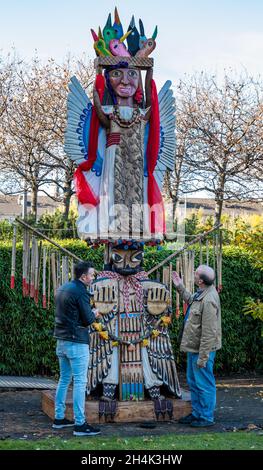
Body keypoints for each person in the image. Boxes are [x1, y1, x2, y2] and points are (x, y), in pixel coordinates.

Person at [52, 261, 101, 436]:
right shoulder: (81, 292)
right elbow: (88, 320)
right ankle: (80, 424)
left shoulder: (62, 288)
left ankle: (59, 418)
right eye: (92, 275)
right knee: (80, 383)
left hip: (61, 341)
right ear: (83, 276)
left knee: (64, 380)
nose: (93, 277)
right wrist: (95, 313)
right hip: (76, 342)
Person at [172, 265, 222, 427]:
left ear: (200, 281)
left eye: (196, 272)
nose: (193, 273)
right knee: (194, 382)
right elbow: (190, 299)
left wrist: (203, 357)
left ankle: (206, 417)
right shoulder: (202, 293)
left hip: (202, 350)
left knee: (204, 384)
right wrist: (179, 286)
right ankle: (196, 413)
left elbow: (209, 332)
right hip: (194, 348)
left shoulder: (209, 299)